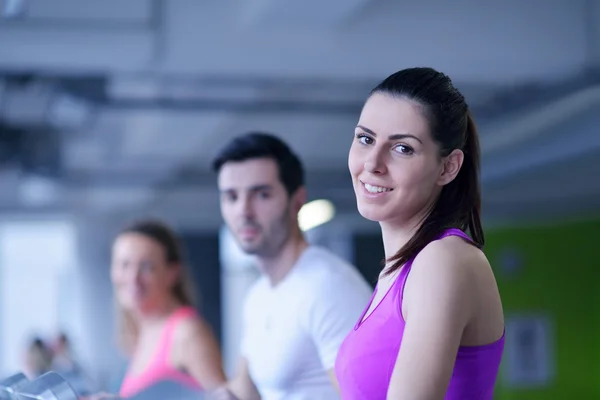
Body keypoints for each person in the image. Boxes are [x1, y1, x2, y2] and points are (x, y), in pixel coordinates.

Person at [334, 67, 505, 399]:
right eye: (365, 139)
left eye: (402, 149)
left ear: (447, 167)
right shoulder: (397, 272)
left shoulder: (444, 260)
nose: (372, 163)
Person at [209, 133, 373, 400]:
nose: (243, 211)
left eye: (261, 194)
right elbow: (242, 393)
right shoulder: (259, 295)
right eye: (231, 197)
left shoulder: (328, 286)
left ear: (297, 201)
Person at [110, 219, 227, 398]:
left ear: (172, 272)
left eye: (146, 267)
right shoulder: (141, 333)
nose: (133, 278)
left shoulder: (187, 332)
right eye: (124, 265)